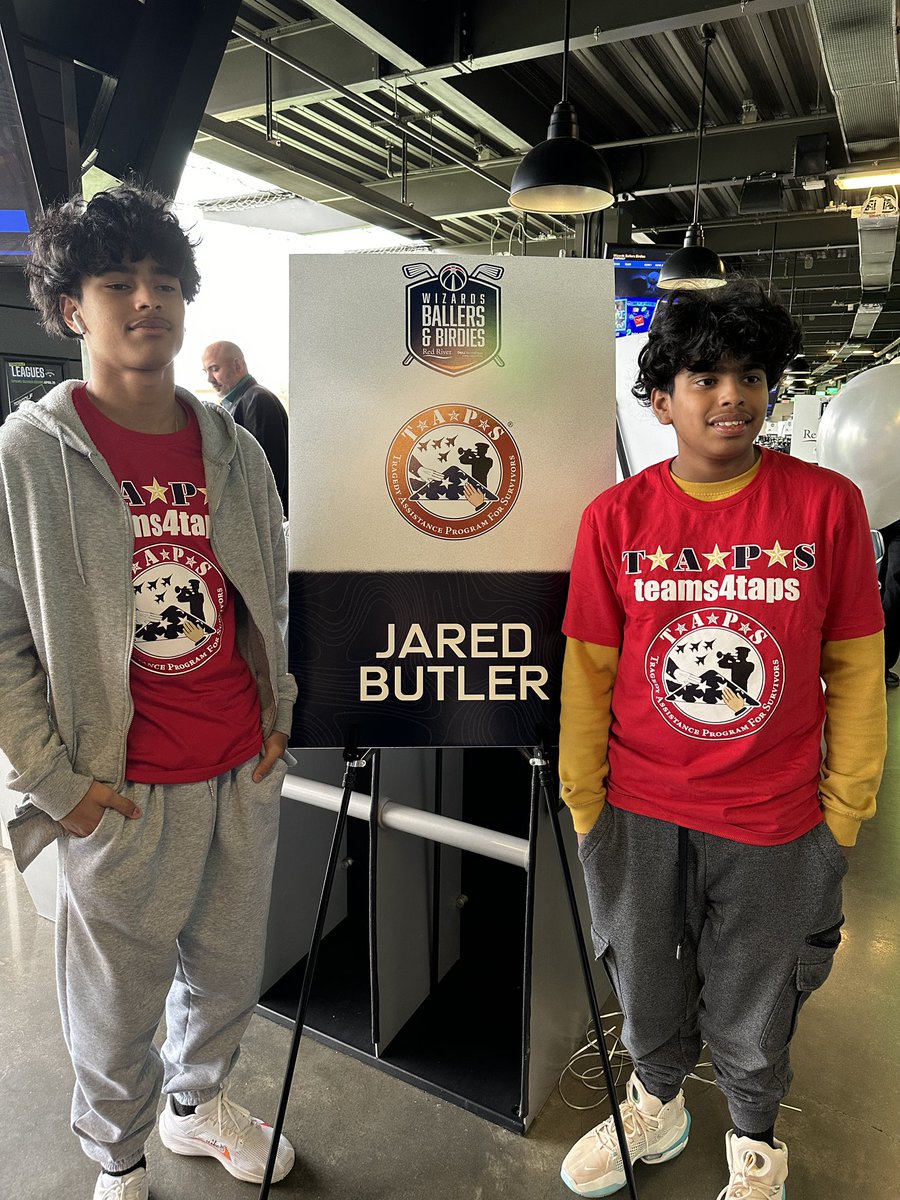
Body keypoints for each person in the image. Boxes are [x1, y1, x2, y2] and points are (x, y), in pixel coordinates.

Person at [558, 280, 886, 1200]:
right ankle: (656, 1104)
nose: (730, 395)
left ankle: (755, 1137)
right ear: (661, 399)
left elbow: (858, 669)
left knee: (760, 990)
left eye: (750, 375)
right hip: (637, 804)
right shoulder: (614, 519)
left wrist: (845, 809)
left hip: (777, 814)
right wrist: (586, 801)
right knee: (646, 982)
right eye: (704, 377)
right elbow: (588, 672)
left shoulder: (828, 507)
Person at [1, 186, 297, 1200]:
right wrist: (51, 780)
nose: (146, 303)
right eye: (117, 283)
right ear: (71, 306)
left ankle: (196, 1106)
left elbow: (265, 590)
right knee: (112, 1001)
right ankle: (114, 1160)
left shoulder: (233, 448)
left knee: (223, 974)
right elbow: (1, 635)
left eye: (165, 284)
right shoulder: (28, 457)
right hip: (115, 787)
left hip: (236, 766)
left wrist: (277, 714)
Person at [202, 340, 289, 513]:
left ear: (237, 365)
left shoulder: (257, 400)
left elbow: (263, 471)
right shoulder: (243, 401)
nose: (209, 379)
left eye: (214, 369)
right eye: (206, 371)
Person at [877, 517, 900, 687]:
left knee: (895, 593)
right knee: (870, 592)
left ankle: (883, 665)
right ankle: (874, 667)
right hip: (868, 515)